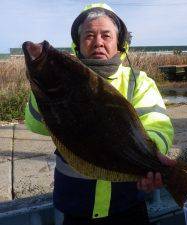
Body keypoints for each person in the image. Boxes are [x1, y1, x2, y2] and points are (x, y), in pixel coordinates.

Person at [25, 3, 174, 225]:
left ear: (120, 42)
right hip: (77, 204)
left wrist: (152, 154)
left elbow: (158, 123)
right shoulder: (65, 76)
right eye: (89, 35)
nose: (98, 42)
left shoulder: (138, 82)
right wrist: (42, 88)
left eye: (106, 35)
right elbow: (35, 124)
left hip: (127, 202)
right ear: (78, 44)